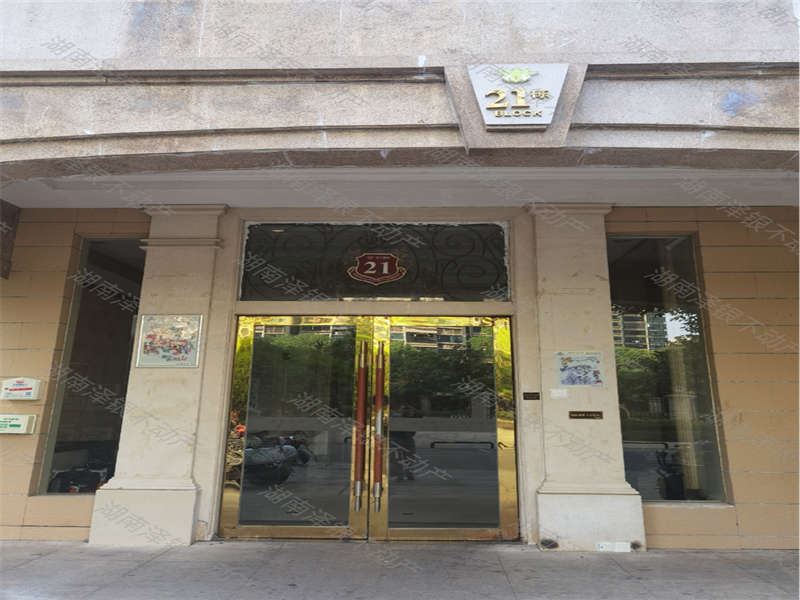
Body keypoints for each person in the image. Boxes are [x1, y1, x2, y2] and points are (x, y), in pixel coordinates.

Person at [389, 403, 419, 482]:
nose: (406, 411)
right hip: (396, 438)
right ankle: (399, 474)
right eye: (404, 409)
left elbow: (413, 431)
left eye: (408, 410)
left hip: (406, 438)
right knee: (396, 457)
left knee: (409, 457)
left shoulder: (412, 418)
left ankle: (407, 473)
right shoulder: (395, 417)